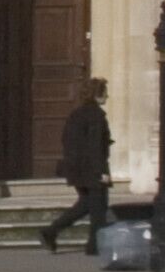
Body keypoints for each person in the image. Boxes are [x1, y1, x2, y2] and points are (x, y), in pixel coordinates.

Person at [37, 79, 111, 251]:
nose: (107, 95)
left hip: (76, 168)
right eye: (105, 92)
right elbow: (95, 147)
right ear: (97, 94)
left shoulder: (75, 114)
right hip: (92, 169)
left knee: (86, 204)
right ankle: (94, 246)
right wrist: (102, 172)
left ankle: (51, 231)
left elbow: (68, 141)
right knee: (99, 208)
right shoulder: (97, 116)